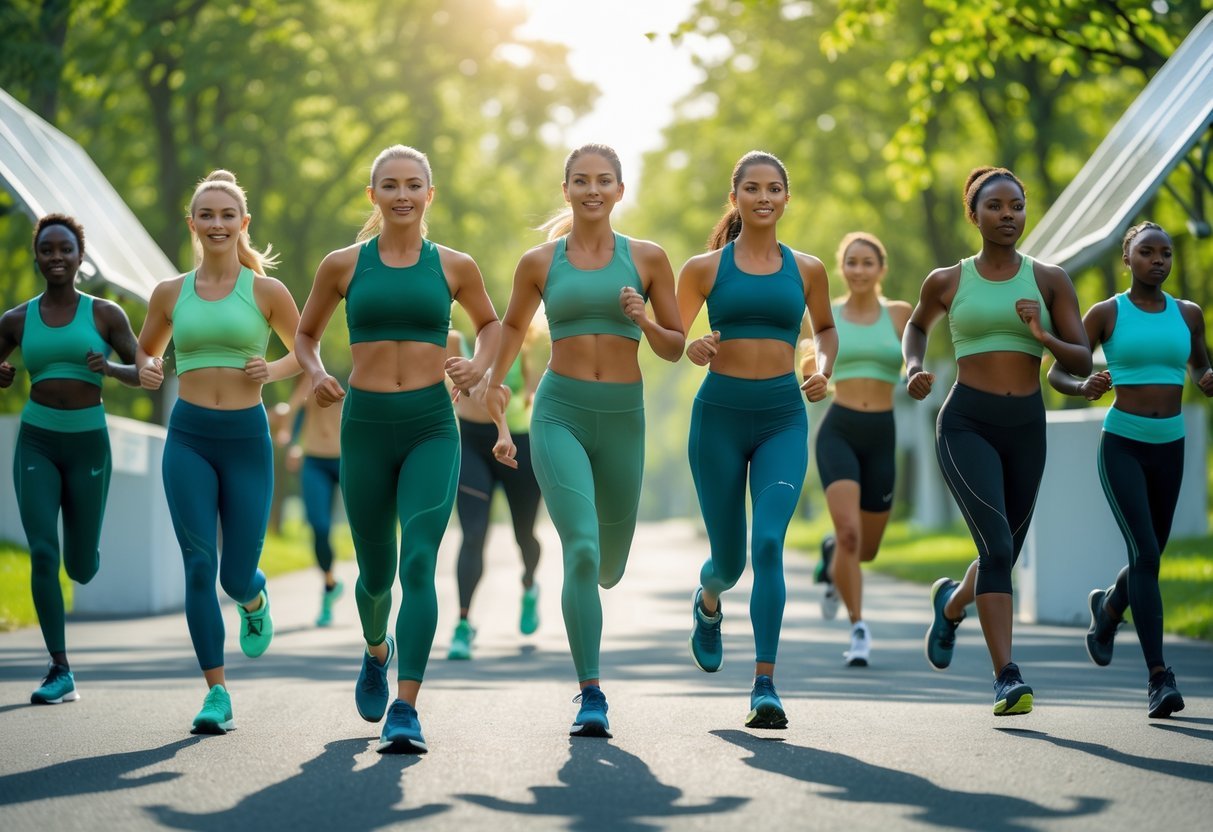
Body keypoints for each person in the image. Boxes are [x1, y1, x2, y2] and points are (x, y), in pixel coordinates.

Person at [295, 145, 501, 754]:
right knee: (376, 575)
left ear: (429, 195)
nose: (402, 194)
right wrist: (314, 373)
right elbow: (305, 335)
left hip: (432, 427)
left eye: (414, 184)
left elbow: (491, 326)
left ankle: (406, 707)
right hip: (365, 425)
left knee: (418, 562)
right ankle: (376, 650)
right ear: (374, 195)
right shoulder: (342, 265)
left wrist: (477, 366)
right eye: (390, 185)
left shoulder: (455, 266)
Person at [484, 143, 684, 738]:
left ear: (620, 191)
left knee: (611, 563)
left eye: (604, 180)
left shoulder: (647, 259)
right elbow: (514, 326)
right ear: (566, 190)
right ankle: (590, 693)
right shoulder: (539, 262)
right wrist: (494, 388)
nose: (592, 189)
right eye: (580, 180)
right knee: (582, 550)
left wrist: (644, 318)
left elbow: (674, 345)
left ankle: (595, 596)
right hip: (559, 411)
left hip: (623, 416)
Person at [905, 166, 1090, 716]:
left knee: (997, 554)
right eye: (995, 206)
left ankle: (952, 604)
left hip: (1026, 428)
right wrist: (913, 367)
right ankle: (1006, 676)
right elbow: (917, 326)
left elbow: (1079, 357)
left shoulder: (1051, 279)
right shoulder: (948, 280)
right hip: (966, 424)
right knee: (999, 548)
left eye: (1016, 205)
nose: (1008, 215)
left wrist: (1042, 335)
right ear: (974, 214)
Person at [136, 170, 301, 734]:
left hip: (247, 441)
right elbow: (146, 354)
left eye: (227, 215)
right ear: (193, 224)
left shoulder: (266, 292)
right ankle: (216, 693)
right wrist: (151, 368)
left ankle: (253, 601)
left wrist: (271, 368)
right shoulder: (169, 293)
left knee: (235, 576)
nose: (217, 224)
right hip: (189, 438)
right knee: (199, 564)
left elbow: (304, 352)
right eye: (206, 215)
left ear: (243, 224)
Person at [679, 151, 836, 729]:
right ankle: (708, 601)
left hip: (781, 418)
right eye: (752, 188)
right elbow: (673, 334)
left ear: (786, 198)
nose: (764, 197)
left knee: (769, 541)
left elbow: (824, 329)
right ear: (736, 196)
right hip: (717, 418)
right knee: (729, 561)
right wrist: (692, 345)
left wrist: (821, 365)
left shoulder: (809, 269)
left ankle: (764, 684)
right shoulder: (703, 268)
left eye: (774, 188)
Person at [1048, 221, 1212, 719]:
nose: (1158, 260)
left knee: (1150, 557)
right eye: (1147, 252)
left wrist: (1207, 378)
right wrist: (1083, 388)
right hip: (1122, 444)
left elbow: (1201, 368)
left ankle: (1109, 609)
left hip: (1172, 446)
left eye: (1165, 253)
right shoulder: (1105, 314)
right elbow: (1057, 370)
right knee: (1143, 553)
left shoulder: (1189, 314)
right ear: (1128, 258)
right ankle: (1159, 678)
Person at [0, 215, 140, 704]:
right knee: (43, 550)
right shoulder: (16, 320)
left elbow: (145, 371)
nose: (56, 257)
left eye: (66, 249)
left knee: (80, 568)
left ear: (81, 258)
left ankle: (86, 553)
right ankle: (59, 667)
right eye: (47, 249)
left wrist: (112, 368)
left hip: (88, 446)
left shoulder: (105, 315)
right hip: (37, 439)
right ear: (36, 255)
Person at [810, 232, 909, 667]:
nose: (860, 269)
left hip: (882, 434)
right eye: (852, 262)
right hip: (840, 430)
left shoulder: (900, 315)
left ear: (881, 269)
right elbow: (807, 355)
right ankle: (858, 628)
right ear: (842, 267)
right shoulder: (826, 315)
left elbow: (919, 354)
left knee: (865, 550)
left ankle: (834, 556)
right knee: (850, 533)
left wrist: (921, 376)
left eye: (868, 262)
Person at [446, 323, 546, 660]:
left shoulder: (519, 346)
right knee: (473, 535)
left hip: (518, 442)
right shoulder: (455, 342)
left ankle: (530, 585)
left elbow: (530, 391)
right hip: (472, 442)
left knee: (525, 534)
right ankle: (462, 623)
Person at [276, 372, 345, 627]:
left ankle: (373, 594)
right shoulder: (308, 381)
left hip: (346, 460)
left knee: (366, 528)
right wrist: (293, 443)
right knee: (319, 525)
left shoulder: (351, 375)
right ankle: (329, 586)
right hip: (314, 461)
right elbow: (292, 416)